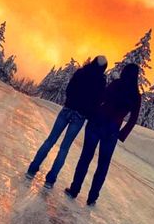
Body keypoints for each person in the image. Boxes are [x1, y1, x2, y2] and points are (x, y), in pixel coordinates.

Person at [65, 63, 141, 205]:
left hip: (97, 122)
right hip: (112, 130)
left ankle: (74, 190)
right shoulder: (136, 96)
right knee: (103, 165)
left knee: (85, 158)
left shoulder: (116, 84)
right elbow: (133, 119)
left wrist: (92, 113)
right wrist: (122, 134)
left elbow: (101, 99)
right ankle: (92, 198)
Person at [26, 56, 107, 188]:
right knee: (64, 148)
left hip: (67, 110)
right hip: (80, 116)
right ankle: (50, 180)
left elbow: (69, 89)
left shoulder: (81, 72)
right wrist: (88, 112)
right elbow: (98, 102)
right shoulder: (101, 82)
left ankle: (32, 169)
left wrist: (70, 102)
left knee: (50, 140)